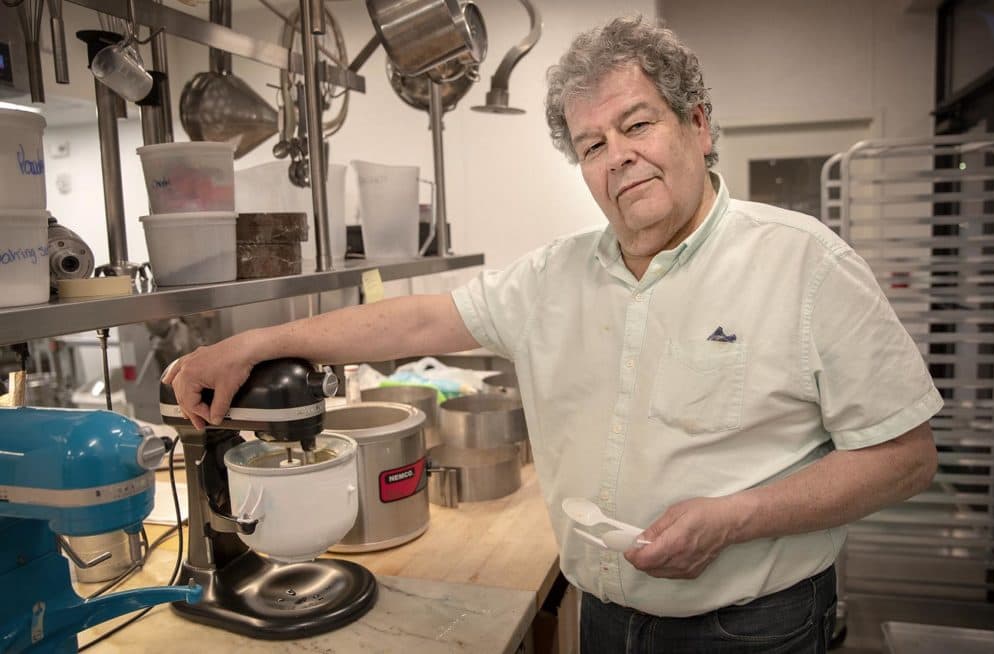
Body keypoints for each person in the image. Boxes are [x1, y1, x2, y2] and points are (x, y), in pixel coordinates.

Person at [166, 15, 941, 653]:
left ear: (698, 126)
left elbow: (904, 459)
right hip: (602, 618)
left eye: (637, 123)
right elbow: (419, 318)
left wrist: (736, 518)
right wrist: (255, 343)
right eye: (592, 145)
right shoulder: (551, 278)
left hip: (753, 626)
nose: (618, 156)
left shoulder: (803, 262)